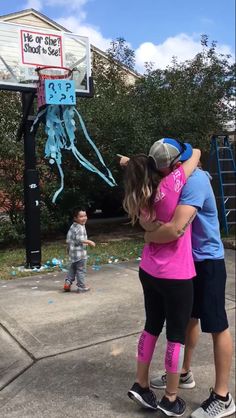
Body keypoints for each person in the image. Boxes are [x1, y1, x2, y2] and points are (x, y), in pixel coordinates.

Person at [145, 167, 235, 418]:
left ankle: (223, 396)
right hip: (187, 263)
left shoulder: (194, 181)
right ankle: (184, 373)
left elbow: (175, 227)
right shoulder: (176, 177)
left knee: (217, 325)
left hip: (208, 262)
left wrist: (147, 235)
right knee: (188, 319)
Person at [120, 138, 201, 417]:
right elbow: (195, 154)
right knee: (176, 336)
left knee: (151, 326)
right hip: (177, 274)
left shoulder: (142, 192)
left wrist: (130, 162)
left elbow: (139, 167)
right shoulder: (171, 183)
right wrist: (187, 150)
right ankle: (171, 398)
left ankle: (141, 384)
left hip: (149, 271)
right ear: (170, 165)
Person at [63, 208, 95, 292]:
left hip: (72, 253)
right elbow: (79, 239)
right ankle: (81, 287)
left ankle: (68, 282)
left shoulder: (73, 226)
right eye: (81, 216)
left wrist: (68, 248)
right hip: (80, 254)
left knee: (73, 268)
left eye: (85, 216)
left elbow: (69, 239)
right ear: (75, 218)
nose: (84, 218)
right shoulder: (80, 227)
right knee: (81, 270)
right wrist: (89, 242)